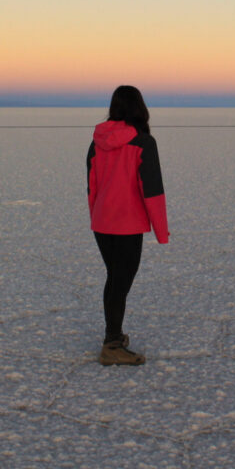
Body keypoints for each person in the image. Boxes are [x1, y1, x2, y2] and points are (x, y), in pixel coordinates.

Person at [87, 85, 169, 365]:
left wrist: (96, 217)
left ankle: (114, 336)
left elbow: (92, 187)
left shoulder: (97, 141)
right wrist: (161, 231)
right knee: (120, 282)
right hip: (127, 224)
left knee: (114, 279)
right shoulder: (143, 142)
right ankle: (111, 345)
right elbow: (152, 190)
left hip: (102, 222)